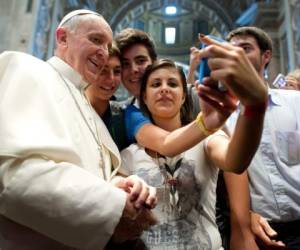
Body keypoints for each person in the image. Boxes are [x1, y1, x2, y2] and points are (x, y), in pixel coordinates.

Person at [0, 9, 157, 250]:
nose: (103, 52)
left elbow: (86, 172)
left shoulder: (86, 104)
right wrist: (113, 205)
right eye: (95, 40)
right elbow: (12, 175)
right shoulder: (28, 70)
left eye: (107, 45)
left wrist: (120, 185)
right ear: (62, 38)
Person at [120, 31, 268, 248]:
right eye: (155, 84)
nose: (164, 88)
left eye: (172, 84)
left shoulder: (207, 139)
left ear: (183, 96)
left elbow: (236, 161)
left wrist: (254, 107)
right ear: (143, 97)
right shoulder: (128, 154)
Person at [224, 26, 300, 250]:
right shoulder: (221, 115)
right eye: (232, 50)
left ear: (266, 56)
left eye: (246, 48)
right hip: (261, 233)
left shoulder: (295, 103)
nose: (237, 54)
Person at [114, 28, 201, 155]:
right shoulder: (123, 112)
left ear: (154, 62)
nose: (134, 69)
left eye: (141, 61)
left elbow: (224, 141)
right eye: (125, 64)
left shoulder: (192, 96)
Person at [85, 42, 128, 151]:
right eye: (103, 70)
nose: (111, 79)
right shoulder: (70, 108)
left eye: (117, 71)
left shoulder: (122, 117)